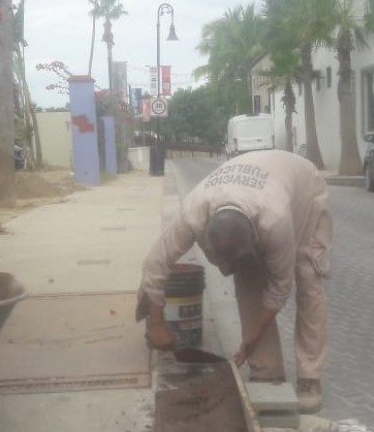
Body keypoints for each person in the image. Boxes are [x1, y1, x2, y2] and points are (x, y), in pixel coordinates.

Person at [136, 150, 333, 413]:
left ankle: (310, 376)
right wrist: (157, 323)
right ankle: (268, 374)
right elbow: (155, 264)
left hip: (302, 189)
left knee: (308, 277)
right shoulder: (194, 212)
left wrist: (252, 337)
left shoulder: (276, 221)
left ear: (256, 237)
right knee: (249, 278)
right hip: (253, 189)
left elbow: (279, 288)